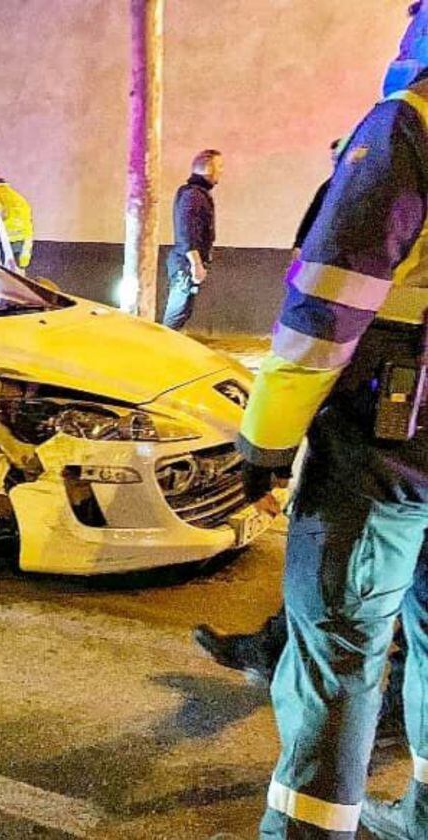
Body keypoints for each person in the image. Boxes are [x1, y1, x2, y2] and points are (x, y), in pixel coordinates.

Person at [239, 5, 428, 836]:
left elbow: (327, 307)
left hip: (389, 446)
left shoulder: (407, 129)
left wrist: (266, 441)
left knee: (339, 651)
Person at [163, 150, 222, 331]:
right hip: (185, 264)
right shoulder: (193, 196)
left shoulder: (195, 194)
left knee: (182, 310)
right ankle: (163, 348)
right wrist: (195, 263)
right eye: (219, 166)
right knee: (178, 311)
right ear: (208, 169)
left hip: (186, 262)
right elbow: (186, 231)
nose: (221, 171)